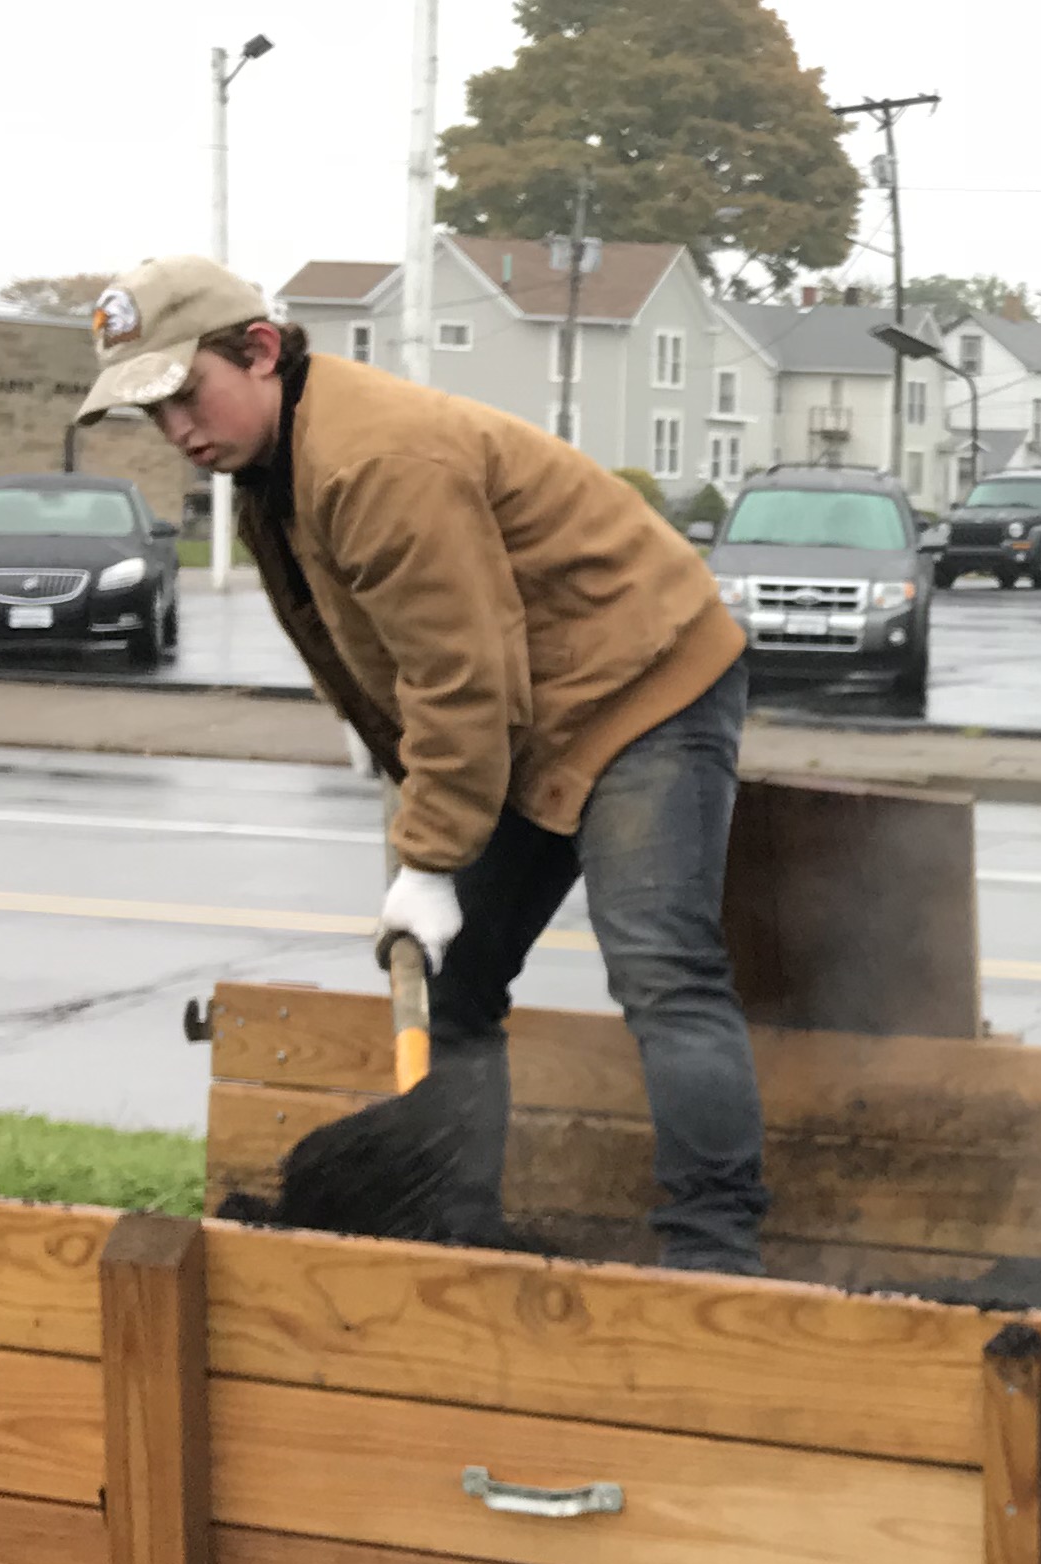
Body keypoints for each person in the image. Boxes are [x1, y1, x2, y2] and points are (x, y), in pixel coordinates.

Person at [79, 256, 768, 1275]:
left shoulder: (373, 460)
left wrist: (433, 855)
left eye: (186, 392)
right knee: (452, 975)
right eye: (154, 413)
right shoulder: (277, 464)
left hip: (642, 685)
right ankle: (453, 1221)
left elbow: (461, 675)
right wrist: (422, 827)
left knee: (663, 969)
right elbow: (409, 666)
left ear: (260, 351)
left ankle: (714, 1257)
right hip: (526, 706)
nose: (179, 429)